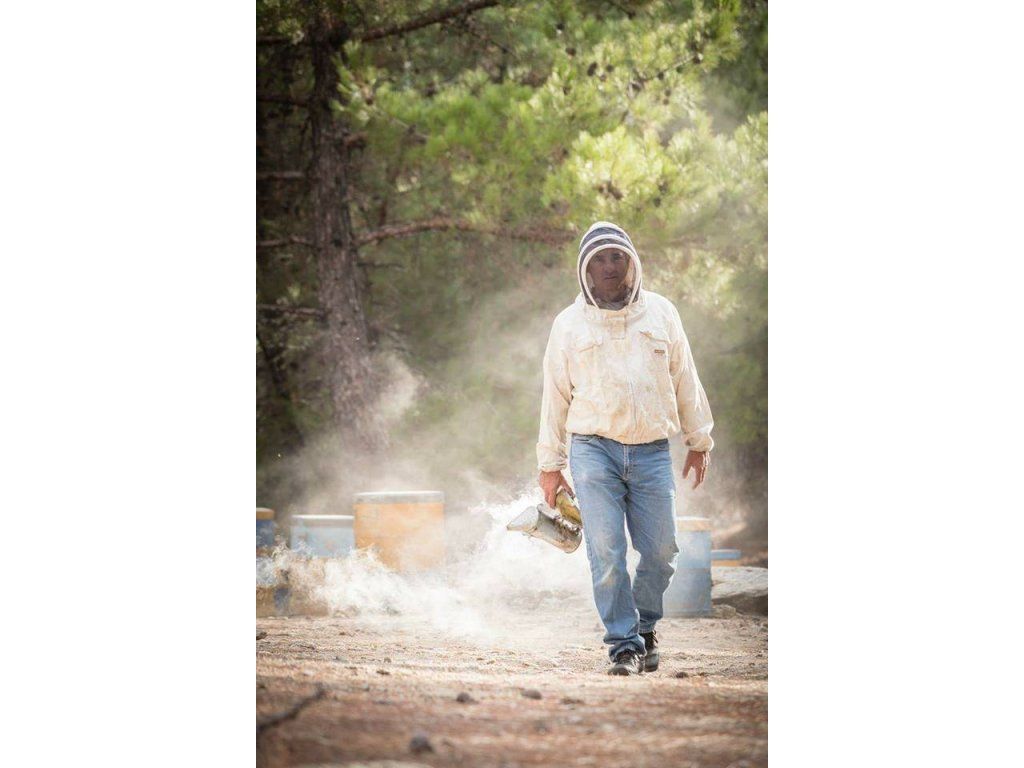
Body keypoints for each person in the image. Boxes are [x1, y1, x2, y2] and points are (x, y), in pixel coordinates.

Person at [536, 220, 714, 676]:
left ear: (632, 261)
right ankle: (623, 645)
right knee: (607, 551)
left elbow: (685, 377)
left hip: (652, 449)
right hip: (592, 450)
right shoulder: (568, 324)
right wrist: (550, 464)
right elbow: (555, 394)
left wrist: (699, 440)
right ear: (585, 270)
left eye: (617, 256)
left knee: (662, 551)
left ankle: (645, 626)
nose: (609, 266)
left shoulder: (661, 313)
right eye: (599, 259)